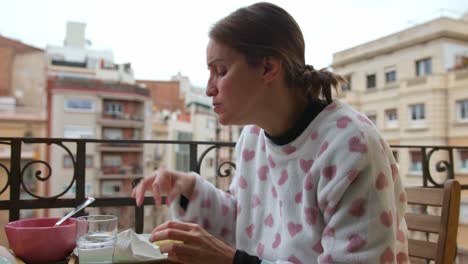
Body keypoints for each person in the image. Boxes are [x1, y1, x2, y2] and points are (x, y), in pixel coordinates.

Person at [132, 2, 409, 263]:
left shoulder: (350, 144)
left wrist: (233, 261)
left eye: (220, 70)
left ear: (268, 67)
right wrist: (189, 189)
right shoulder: (252, 137)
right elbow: (244, 220)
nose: (209, 89)